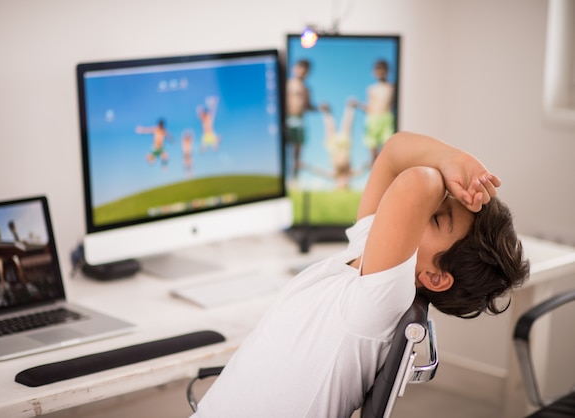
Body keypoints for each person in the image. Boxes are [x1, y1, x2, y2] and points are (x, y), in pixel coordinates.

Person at [190, 131, 530, 418]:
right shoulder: (367, 259)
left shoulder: (381, 301)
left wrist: (446, 170)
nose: (428, 205)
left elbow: (415, 183)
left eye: (437, 216)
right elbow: (394, 152)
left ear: (435, 276)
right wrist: (455, 159)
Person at [355, 60, 396, 164]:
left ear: (387, 71)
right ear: (374, 72)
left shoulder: (392, 87)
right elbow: (369, 107)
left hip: (387, 119)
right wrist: (358, 105)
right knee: (373, 154)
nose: (380, 72)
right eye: (378, 69)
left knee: (387, 151)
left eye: (383, 69)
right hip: (372, 120)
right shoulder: (371, 89)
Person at [286, 59, 317, 178]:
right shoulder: (288, 83)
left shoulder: (307, 89)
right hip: (287, 119)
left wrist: (319, 108)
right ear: (294, 68)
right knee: (285, 148)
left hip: (300, 120)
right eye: (300, 67)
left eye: (305, 69)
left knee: (297, 152)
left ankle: (294, 177)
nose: (302, 71)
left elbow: (308, 106)